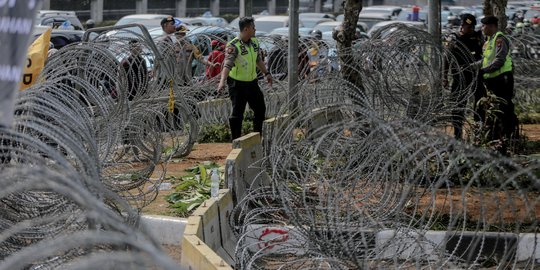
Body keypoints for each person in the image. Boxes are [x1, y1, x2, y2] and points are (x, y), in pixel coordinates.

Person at [217, 17, 272, 140]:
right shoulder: (234, 45)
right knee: (238, 114)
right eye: (253, 27)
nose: (255, 29)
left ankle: (257, 137)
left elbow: (258, 60)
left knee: (260, 109)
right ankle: (236, 141)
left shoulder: (254, 42)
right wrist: (222, 82)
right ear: (246, 29)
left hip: (252, 83)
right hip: (237, 85)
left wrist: (266, 73)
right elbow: (227, 65)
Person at [443, 13, 485, 139]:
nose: (470, 30)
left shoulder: (478, 37)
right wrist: (444, 77)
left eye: (472, 27)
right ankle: (457, 133)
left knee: (479, 104)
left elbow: (484, 53)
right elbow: (446, 59)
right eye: (468, 27)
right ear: (462, 26)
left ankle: (479, 131)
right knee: (458, 106)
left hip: (476, 75)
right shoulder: (454, 39)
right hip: (459, 77)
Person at [479, 16, 519, 144]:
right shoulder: (488, 41)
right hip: (492, 79)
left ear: (491, 26)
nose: (482, 28)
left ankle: (509, 136)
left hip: (502, 79)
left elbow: (499, 61)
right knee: (493, 109)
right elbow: (485, 60)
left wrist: (483, 71)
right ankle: (497, 137)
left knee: (504, 108)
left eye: (484, 26)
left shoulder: (499, 39)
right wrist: (471, 67)